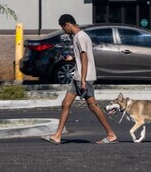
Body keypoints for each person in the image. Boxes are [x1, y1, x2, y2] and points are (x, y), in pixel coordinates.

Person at [41, 14, 118, 144]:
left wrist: (83, 80)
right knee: (66, 103)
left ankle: (111, 135)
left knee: (93, 106)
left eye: (64, 28)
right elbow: (80, 57)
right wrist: (71, 58)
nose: (65, 31)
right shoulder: (79, 36)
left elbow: (85, 58)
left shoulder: (81, 37)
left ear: (67, 24)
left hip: (84, 78)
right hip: (78, 77)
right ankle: (57, 136)